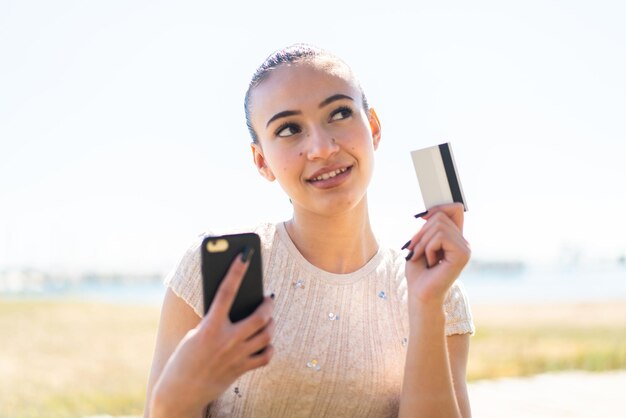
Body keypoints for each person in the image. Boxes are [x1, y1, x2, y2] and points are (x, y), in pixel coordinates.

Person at [143, 43, 474, 418]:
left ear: (374, 128)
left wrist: (426, 306)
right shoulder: (211, 273)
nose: (321, 148)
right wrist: (172, 398)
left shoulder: (437, 290)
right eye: (288, 129)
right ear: (261, 160)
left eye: (339, 113)